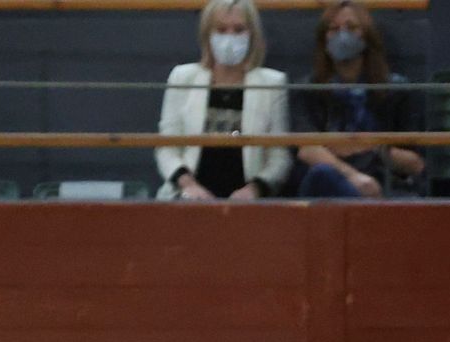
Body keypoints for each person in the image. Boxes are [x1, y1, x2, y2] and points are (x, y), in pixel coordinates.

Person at [156, 0, 290, 201]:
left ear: (252, 35)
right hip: (186, 198)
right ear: (207, 34)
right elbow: (167, 147)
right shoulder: (182, 77)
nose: (230, 37)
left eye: (238, 30)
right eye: (221, 29)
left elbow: (279, 157)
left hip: (247, 204)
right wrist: (188, 186)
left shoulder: (272, 83)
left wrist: (254, 189)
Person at [290, 0, 423, 199]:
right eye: (334, 29)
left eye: (351, 27)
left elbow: (416, 163)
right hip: (329, 184)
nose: (342, 35)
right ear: (323, 38)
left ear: (367, 35)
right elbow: (307, 150)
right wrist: (353, 177)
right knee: (322, 174)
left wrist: (372, 146)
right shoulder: (308, 90)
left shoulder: (397, 90)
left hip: (384, 186)